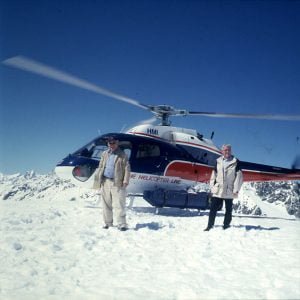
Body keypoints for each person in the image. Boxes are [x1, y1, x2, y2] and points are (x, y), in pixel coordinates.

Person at [93, 136, 131, 231]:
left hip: (117, 181)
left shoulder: (122, 154)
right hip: (105, 181)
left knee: (119, 203)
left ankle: (122, 224)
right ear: (108, 144)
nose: (112, 145)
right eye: (110, 143)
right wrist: (98, 179)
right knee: (106, 203)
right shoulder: (105, 154)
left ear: (117, 143)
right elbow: (101, 166)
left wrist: (125, 180)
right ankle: (108, 223)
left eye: (114, 143)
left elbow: (127, 168)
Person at [204, 144, 243, 231]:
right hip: (218, 189)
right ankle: (209, 226)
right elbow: (213, 175)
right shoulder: (217, 161)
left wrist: (236, 190)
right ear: (222, 151)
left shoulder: (236, 162)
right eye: (225, 150)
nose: (227, 152)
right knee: (213, 209)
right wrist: (212, 187)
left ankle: (226, 225)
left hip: (229, 190)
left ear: (231, 151)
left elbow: (239, 177)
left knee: (228, 210)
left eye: (228, 150)